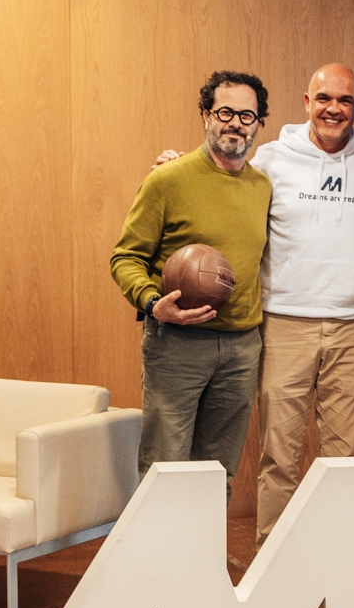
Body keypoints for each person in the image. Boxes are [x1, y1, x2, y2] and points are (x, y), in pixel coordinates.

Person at [156, 65, 354, 547]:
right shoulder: (271, 159)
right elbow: (224, 176)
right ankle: (273, 565)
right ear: (306, 101)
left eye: (344, 101)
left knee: (345, 460)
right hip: (284, 324)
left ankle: (336, 564)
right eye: (323, 98)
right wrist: (178, 166)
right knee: (279, 457)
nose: (333, 109)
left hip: (353, 325)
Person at [110, 71, 272, 501]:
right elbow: (125, 257)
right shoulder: (168, 179)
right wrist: (153, 303)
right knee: (164, 466)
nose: (235, 123)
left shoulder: (262, 187)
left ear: (258, 123)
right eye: (224, 112)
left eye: (246, 115)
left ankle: (203, 547)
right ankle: (158, 549)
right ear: (205, 115)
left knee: (218, 473)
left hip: (241, 347)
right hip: (177, 345)